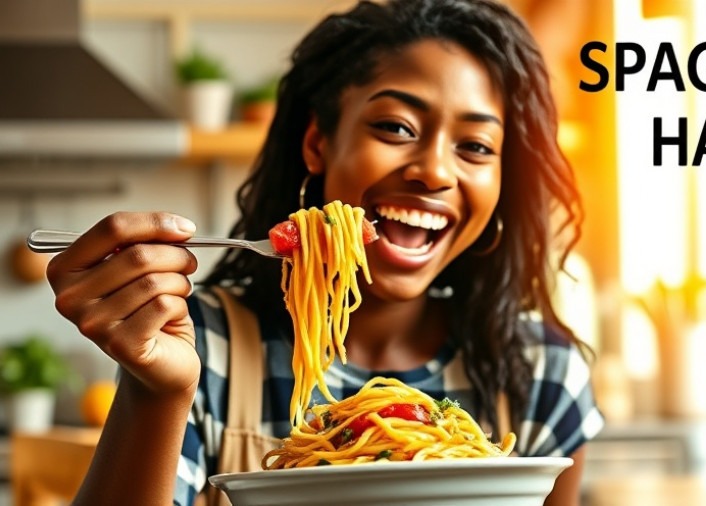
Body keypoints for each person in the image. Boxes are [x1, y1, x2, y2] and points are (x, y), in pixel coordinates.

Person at [45, 0, 603, 504]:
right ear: (318, 143)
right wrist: (158, 391)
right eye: (395, 127)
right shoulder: (203, 344)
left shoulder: (540, 373)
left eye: (476, 146)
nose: (434, 170)